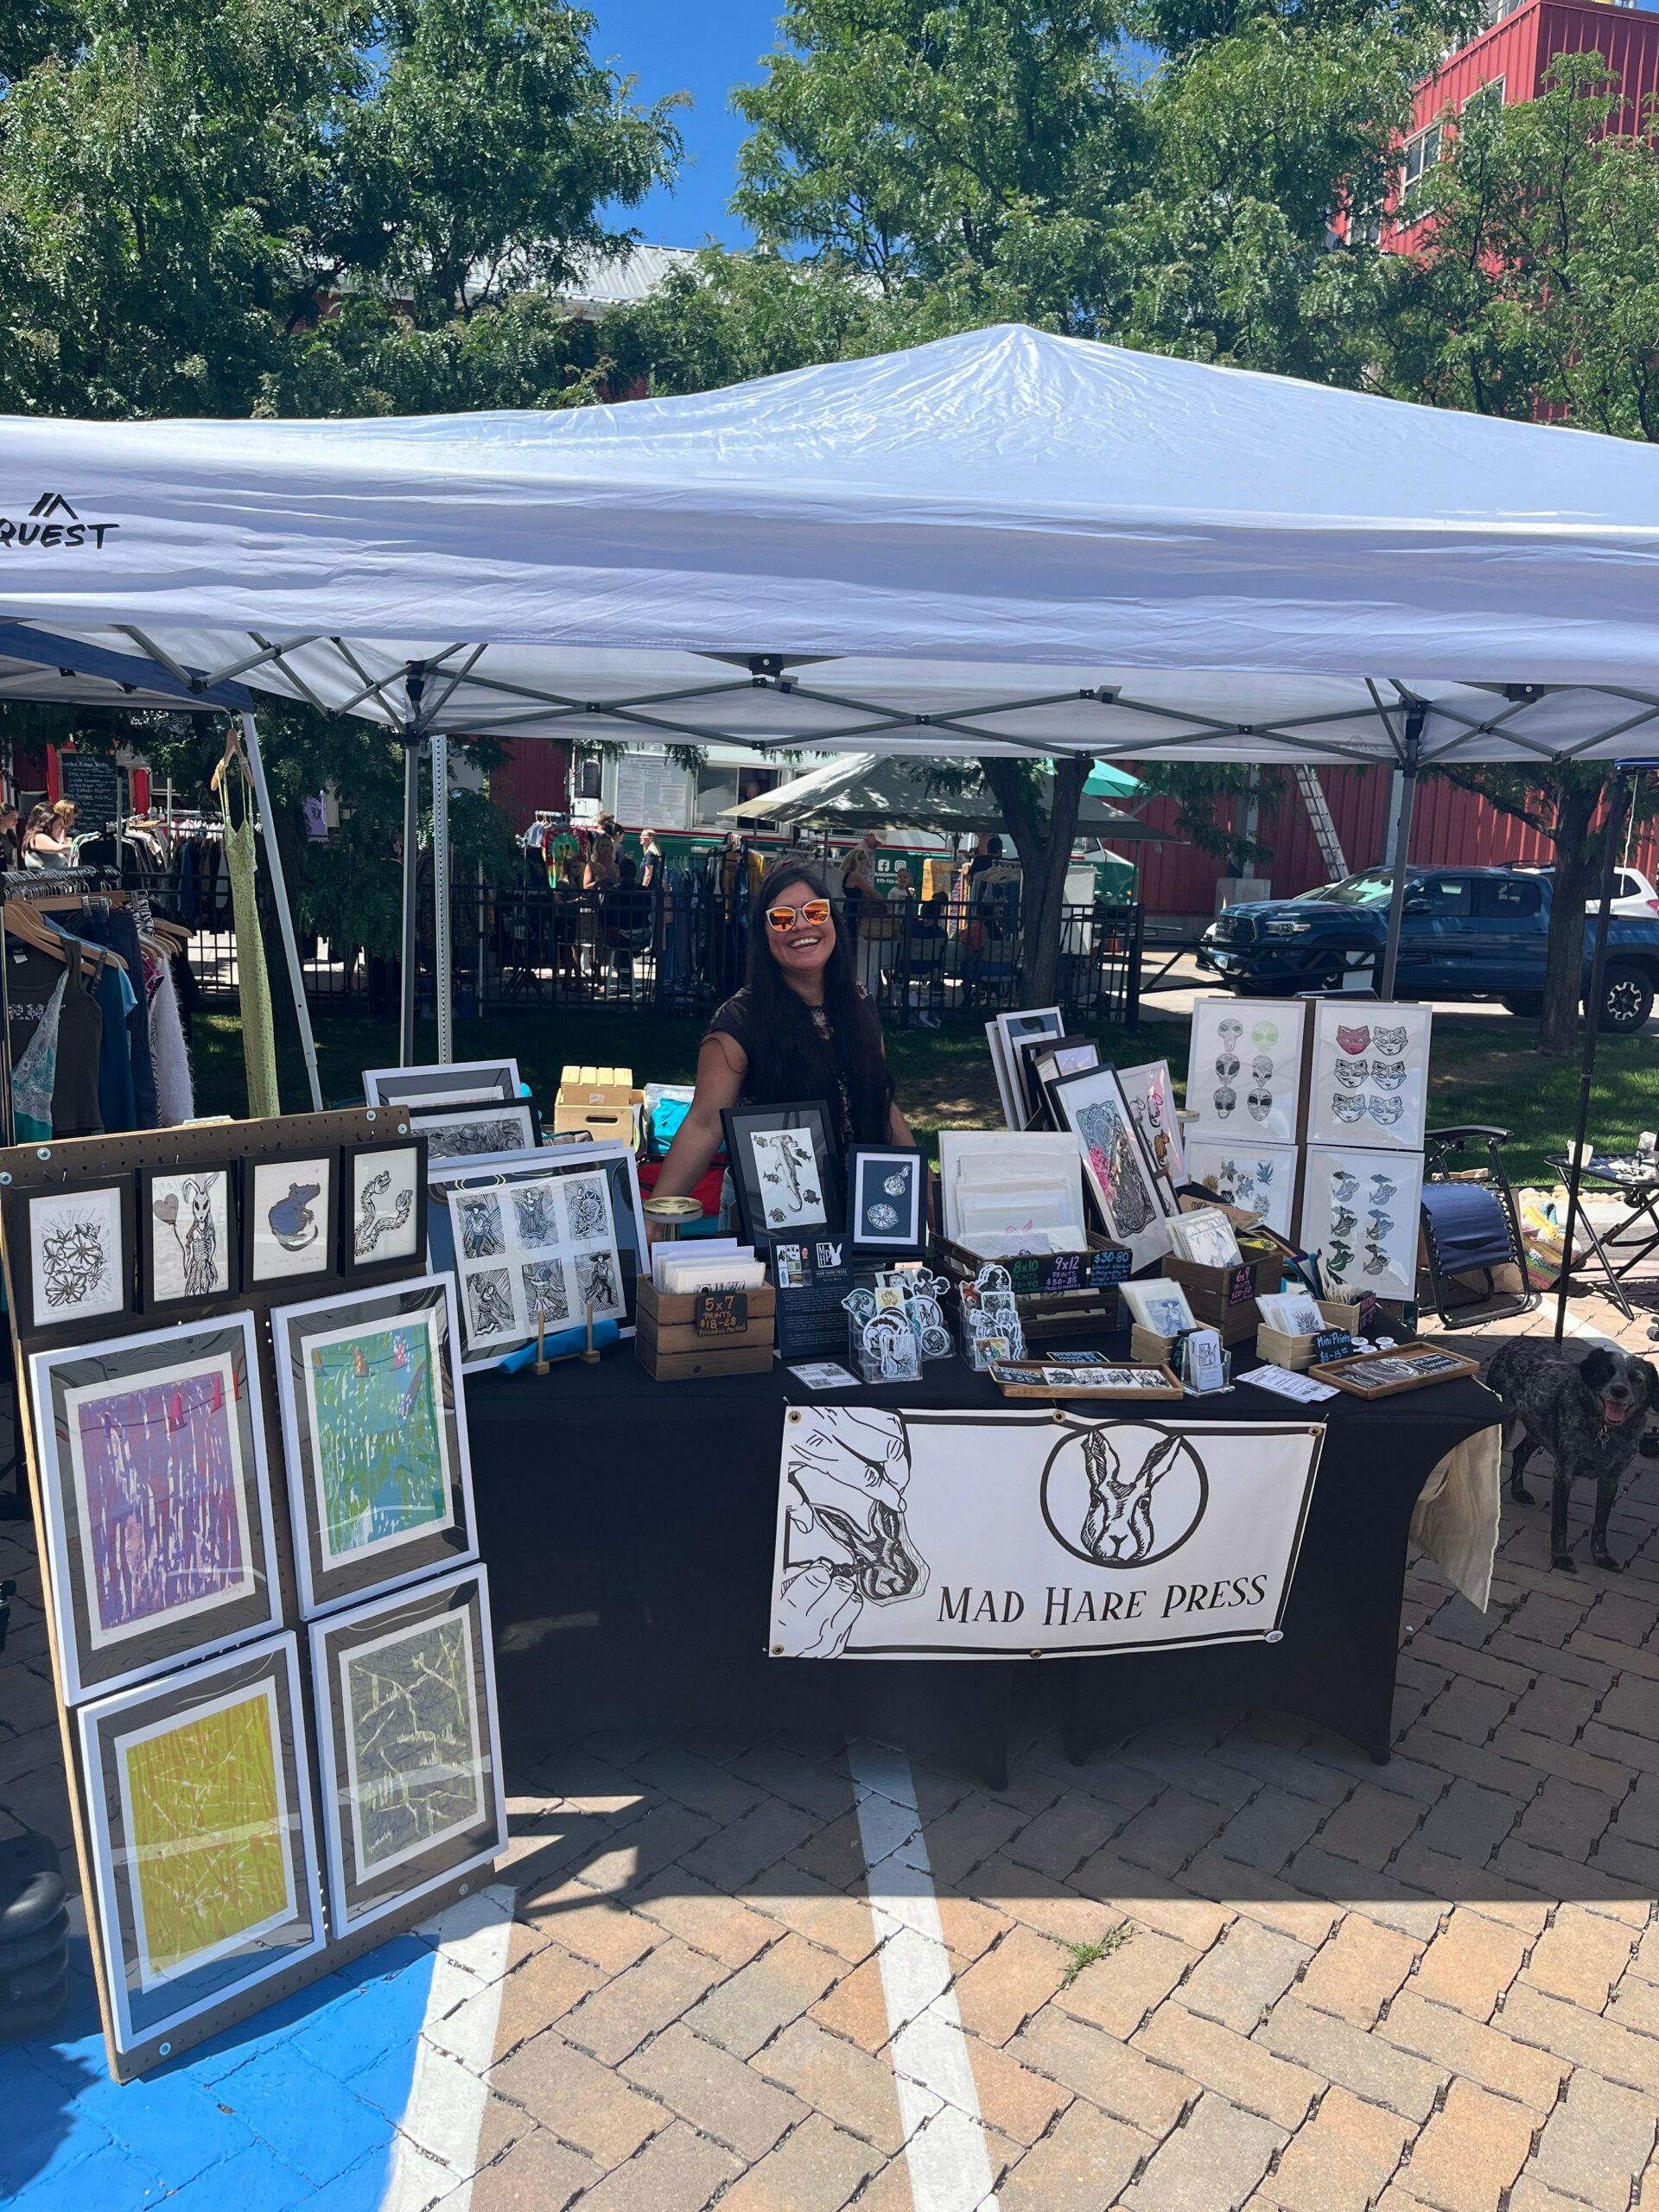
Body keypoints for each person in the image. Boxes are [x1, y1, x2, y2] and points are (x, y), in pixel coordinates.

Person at [649, 858, 917, 1231]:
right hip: (777, 1220)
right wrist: (655, 1219)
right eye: (782, 919)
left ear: (833, 921)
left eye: (815, 912)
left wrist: (923, 1191)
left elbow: (881, 1103)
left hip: (866, 1210)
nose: (802, 925)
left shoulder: (860, 1003)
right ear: (763, 935)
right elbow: (704, 1125)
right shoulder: (739, 1021)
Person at [22, 800, 75, 868]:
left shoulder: (50, 840)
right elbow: (59, 848)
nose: (63, 828)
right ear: (48, 824)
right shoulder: (38, 837)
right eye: (59, 824)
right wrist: (79, 847)